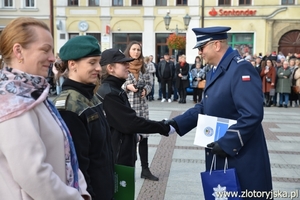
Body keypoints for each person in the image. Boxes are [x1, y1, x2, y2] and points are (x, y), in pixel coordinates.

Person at [166, 26, 273, 199]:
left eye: (202, 48)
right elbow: (205, 106)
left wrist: (226, 142)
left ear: (216, 45)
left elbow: (252, 114)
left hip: (241, 154)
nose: (200, 53)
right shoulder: (215, 70)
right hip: (222, 152)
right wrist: (176, 124)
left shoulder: (240, 69)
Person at [0, 17, 90, 200]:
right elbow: (33, 174)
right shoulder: (12, 101)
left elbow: (66, 153)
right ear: (18, 51)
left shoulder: (34, 94)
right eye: (45, 50)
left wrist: (81, 190)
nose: (52, 58)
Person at [52, 35, 114, 200]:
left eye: (99, 62)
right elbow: (77, 166)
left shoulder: (89, 97)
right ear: (72, 65)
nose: (99, 68)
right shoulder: (69, 107)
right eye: (92, 62)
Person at [96, 48, 173, 168]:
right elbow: (130, 123)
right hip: (117, 158)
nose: (128, 65)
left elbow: (121, 124)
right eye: (123, 63)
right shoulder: (110, 93)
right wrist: (163, 127)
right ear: (110, 68)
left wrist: (135, 136)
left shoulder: (114, 89)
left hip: (121, 154)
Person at [122, 42, 159, 181]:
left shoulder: (144, 67)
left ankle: (145, 169)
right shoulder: (123, 65)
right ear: (129, 51)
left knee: (144, 139)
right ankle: (128, 170)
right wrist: (127, 86)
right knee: (129, 141)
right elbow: (116, 83)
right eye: (133, 49)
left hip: (142, 107)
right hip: (128, 107)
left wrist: (145, 90)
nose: (136, 52)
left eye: (138, 50)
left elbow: (150, 83)